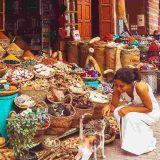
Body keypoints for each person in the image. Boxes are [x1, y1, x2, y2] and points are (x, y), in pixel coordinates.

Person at [102, 68, 160, 155]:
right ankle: (128, 141)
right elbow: (113, 106)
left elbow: (149, 108)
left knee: (129, 116)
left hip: (151, 113)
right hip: (137, 108)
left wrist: (129, 109)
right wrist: (107, 106)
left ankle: (143, 143)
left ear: (131, 83)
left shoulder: (140, 87)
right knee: (117, 111)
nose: (118, 88)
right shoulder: (118, 87)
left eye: (122, 86)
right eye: (116, 85)